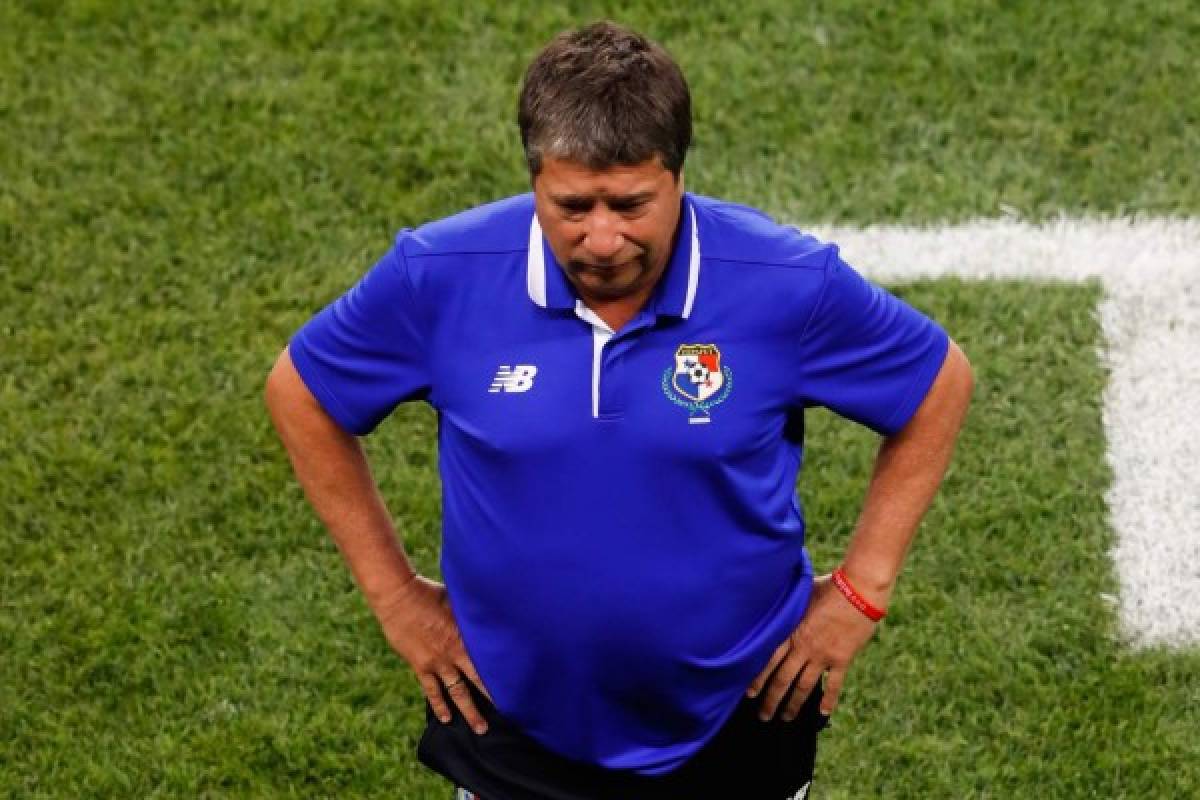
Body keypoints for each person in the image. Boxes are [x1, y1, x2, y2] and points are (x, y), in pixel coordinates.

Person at [265, 20, 972, 800]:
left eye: (631, 205)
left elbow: (936, 383)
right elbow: (303, 392)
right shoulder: (438, 277)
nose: (602, 240)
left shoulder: (783, 283)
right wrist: (396, 599)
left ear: (677, 177)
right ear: (534, 179)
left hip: (741, 714)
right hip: (511, 723)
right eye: (572, 206)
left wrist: (862, 591)